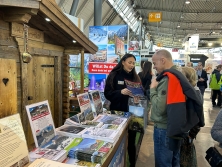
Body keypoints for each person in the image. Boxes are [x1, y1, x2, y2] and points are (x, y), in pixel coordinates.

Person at [150, 49, 204, 167]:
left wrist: (153, 89)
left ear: (163, 60)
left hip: (164, 128)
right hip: (175, 127)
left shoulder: (167, 78)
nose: (154, 67)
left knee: (163, 163)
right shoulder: (178, 75)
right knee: (175, 161)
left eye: (155, 63)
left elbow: (160, 108)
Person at [104, 53, 141, 167]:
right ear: (123, 61)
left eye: (133, 63)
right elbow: (107, 94)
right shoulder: (114, 75)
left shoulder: (135, 77)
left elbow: (141, 95)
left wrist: (138, 97)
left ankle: (132, 163)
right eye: (129, 62)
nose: (131, 65)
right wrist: (120, 92)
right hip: (117, 114)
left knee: (132, 140)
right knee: (117, 139)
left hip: (133, 113)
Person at [180, 66, 202, 167]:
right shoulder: (190, 91)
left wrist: (191, 134)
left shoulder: (193, 93)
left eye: (181, 75)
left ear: (188, 78)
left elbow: (198, 115)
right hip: (186, 131)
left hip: (187, 132)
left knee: (185, 160)